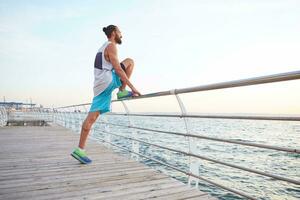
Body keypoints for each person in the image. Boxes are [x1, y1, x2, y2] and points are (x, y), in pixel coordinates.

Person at [71, 25, 141, 164]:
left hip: (99, 85)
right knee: (130, 62)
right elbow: (117, 69)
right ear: (114, 33)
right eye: (120, 32)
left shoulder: (102, 47)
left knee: (91, 118)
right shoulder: (111, 46)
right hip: (107, 81)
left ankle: (80, 150)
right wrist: (132, 87)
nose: (122, 35)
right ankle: (121, 92)